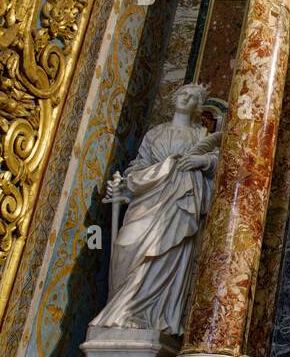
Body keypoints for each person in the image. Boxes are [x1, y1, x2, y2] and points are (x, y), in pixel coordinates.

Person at [92, 84, 220, 334]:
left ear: (198, 106)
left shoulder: (201, 134)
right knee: (125, 245)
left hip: (180, 199)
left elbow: (217, 160)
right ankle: (120, 308)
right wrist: (125, 187)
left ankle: (143, 315)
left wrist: (201, 160)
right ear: (174, 99)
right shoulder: (155, 133)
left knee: (166, 250)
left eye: (193, 97)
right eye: (183, 94)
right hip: (149, 196)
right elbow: (140, 165)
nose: (186, 99)